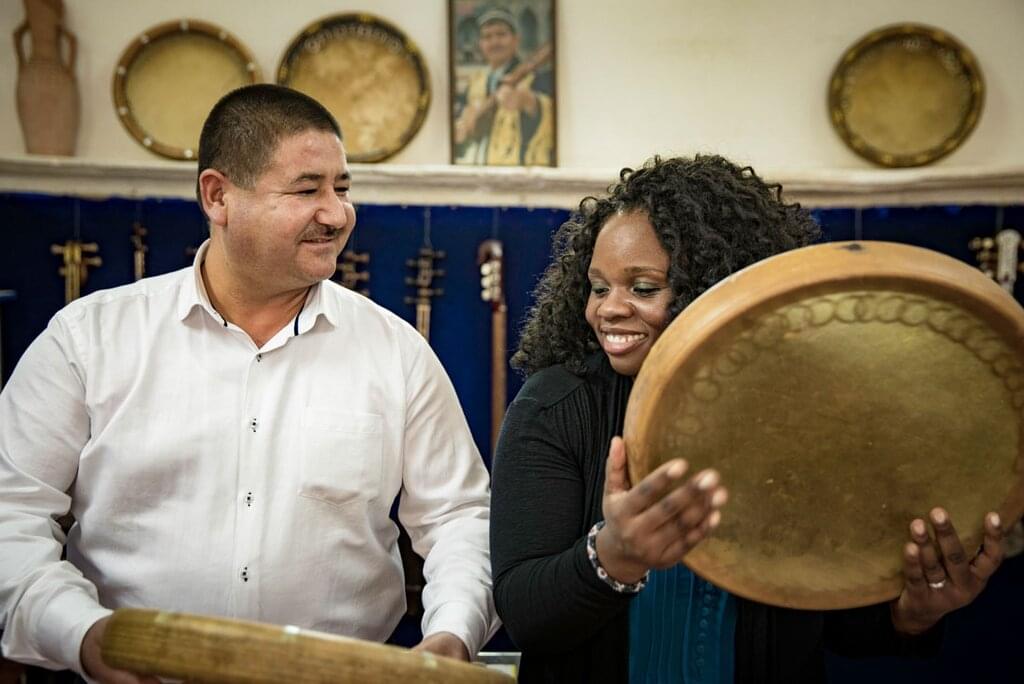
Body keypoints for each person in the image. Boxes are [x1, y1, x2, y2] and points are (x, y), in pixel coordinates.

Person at [0, 84, 497, 682]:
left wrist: (453, 634)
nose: (337, 214)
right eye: (307, 190)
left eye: (342, 188)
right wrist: (83, 634)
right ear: (218, 196)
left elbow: (459, 519)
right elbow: (11, 514)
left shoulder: (397, 353)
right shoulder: (87, 340)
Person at [489, 155, 1006, 683]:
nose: (608, 309)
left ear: (715, 285)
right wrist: (613, 556)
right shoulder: (554, 407)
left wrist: (913, 613)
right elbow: (525, 616)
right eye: (599, 287)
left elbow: (835, 619)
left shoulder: (810, 411)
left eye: (643, 288)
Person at [453, 5, 554, 166]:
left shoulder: (535, 78)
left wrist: (529, 102)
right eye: (487, 37)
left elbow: (551, 116)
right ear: (480, 44)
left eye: (501, 34)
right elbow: (462, 120)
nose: (494, 42)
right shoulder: (475, 81)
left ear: (516, 40)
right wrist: (461, 126)